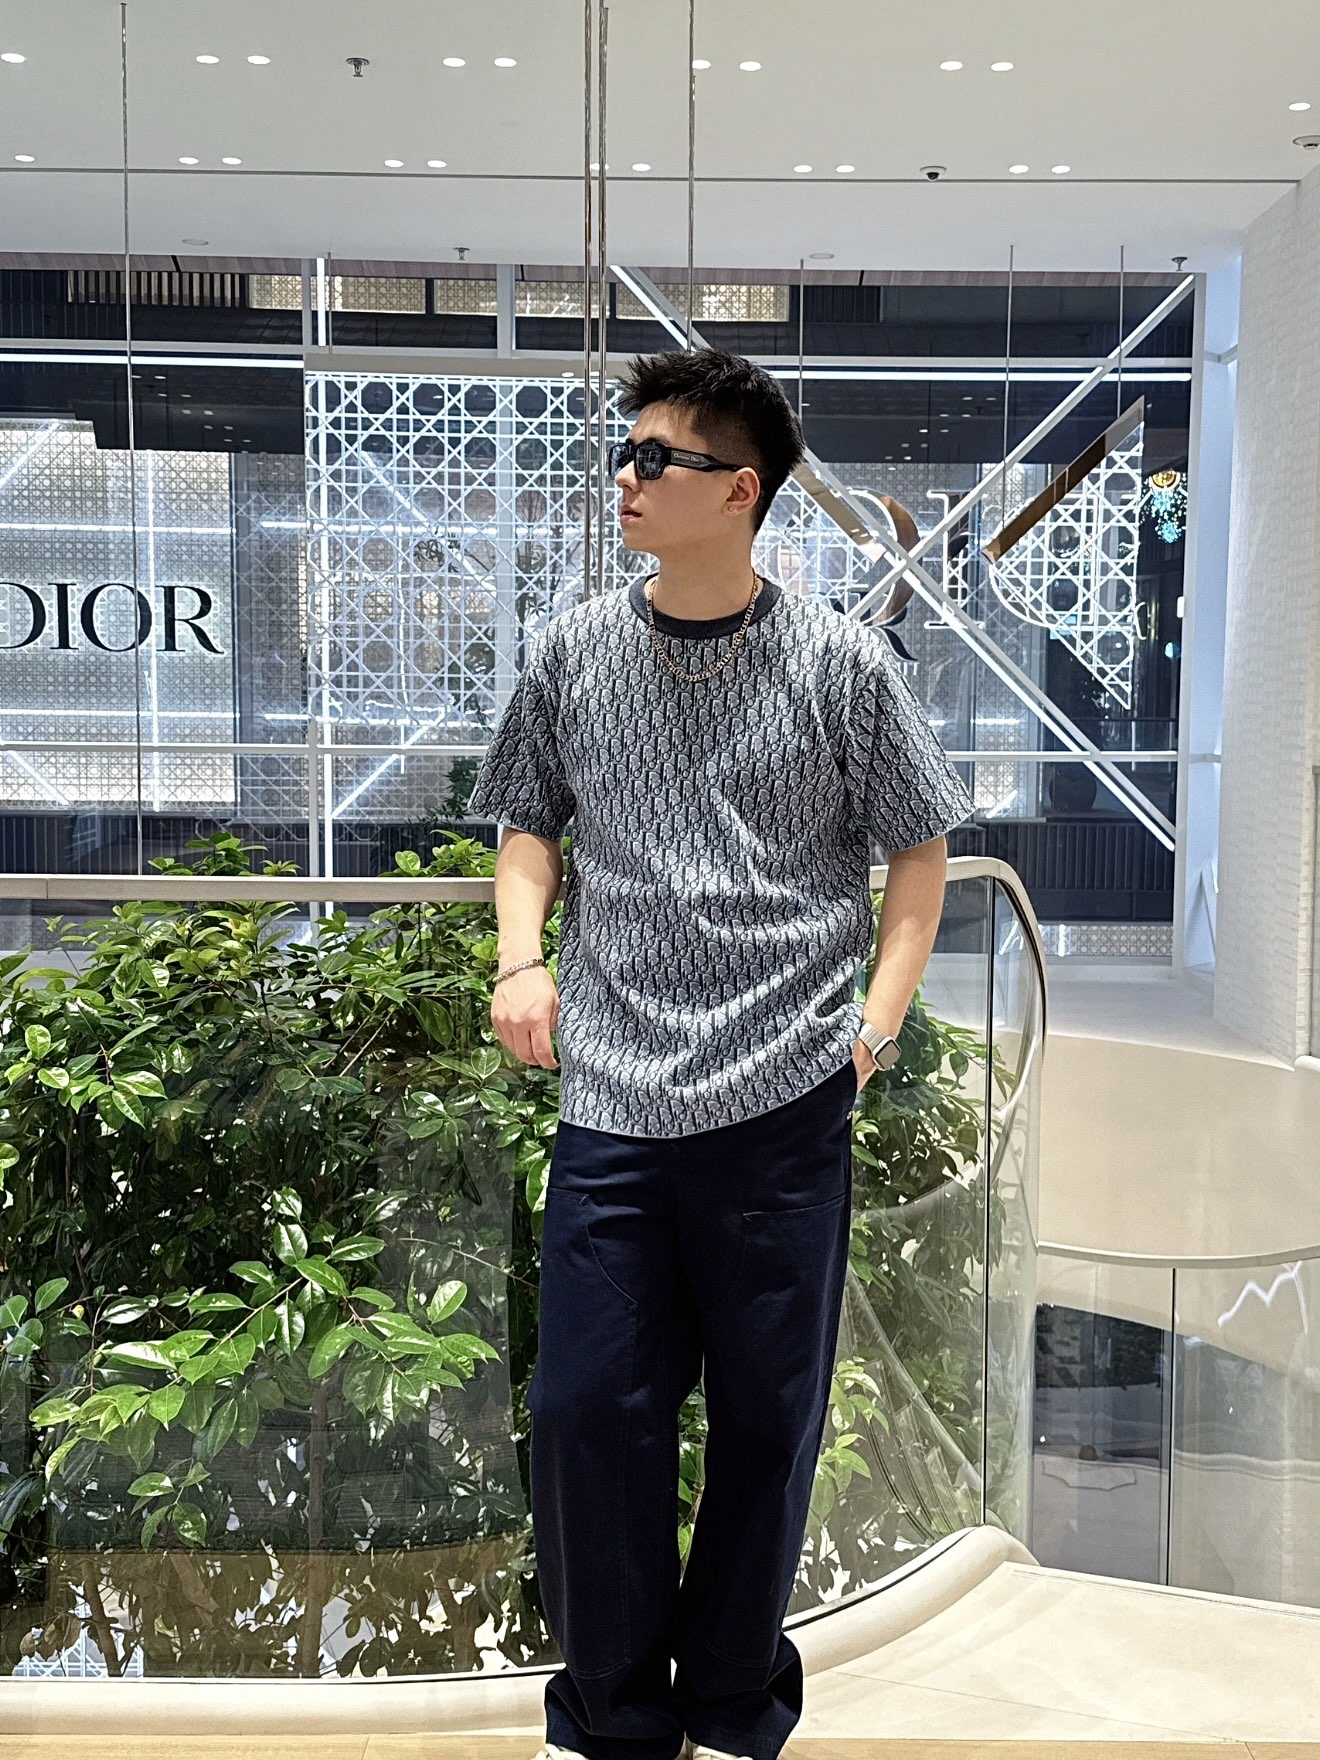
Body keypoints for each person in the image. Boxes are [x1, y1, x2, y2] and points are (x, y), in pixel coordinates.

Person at [465, 347, 974, 1760]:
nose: (626, 479)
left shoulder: (840, 664)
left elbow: (920, 853)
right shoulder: (574, 651)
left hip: (783, 1097)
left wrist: (875, 1027)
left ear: (739, 490)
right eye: (626, 455)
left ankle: (734, 1702)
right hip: (615, 1093)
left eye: (656, 458)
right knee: (586, 1412)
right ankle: (613, 1718)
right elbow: (527, 820)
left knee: (767, 1419)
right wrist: (520, 959)